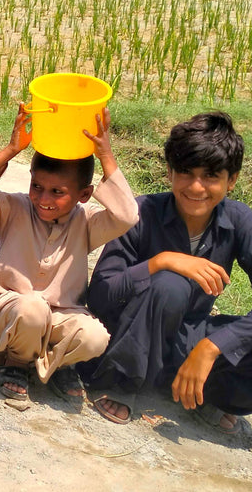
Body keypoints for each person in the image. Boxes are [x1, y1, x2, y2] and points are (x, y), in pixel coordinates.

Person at [0, 104, 138, 406]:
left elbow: (128, 216)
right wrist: (11, 150)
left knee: (94, 337)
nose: (43, 198)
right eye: (37, 186)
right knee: (31, 309)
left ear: (84, 195)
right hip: (15, 313)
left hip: (60, 317)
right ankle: (16, 362)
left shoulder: (88, 222)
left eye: (57, 191)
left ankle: (58, 365)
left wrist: (105, 155)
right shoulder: (14, 210)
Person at [82, 112, 252, 433]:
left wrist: (212, 346)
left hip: (188, 340)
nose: (197, 187)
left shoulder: (240, 221)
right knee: (170, 285)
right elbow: (101, 297)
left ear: (232, 180)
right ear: (170, 172)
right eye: (186, 172)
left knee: (237, 339)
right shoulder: (141, 213)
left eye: (211, 176)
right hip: (128, 337)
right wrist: (160, 262)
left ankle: (206, 393)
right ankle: (122, 382)